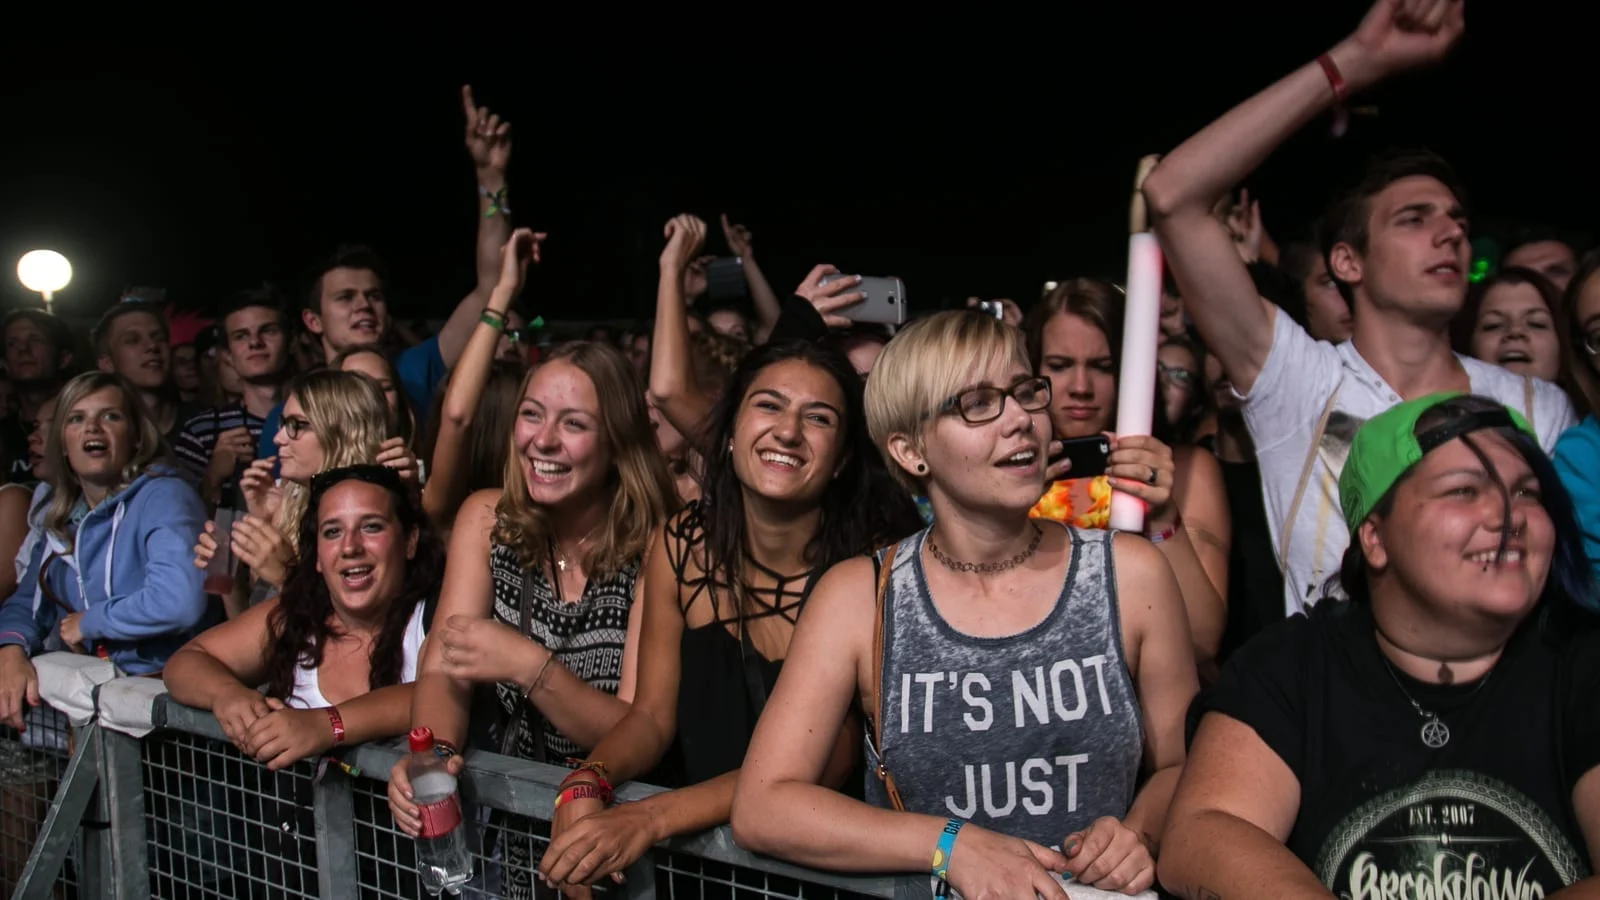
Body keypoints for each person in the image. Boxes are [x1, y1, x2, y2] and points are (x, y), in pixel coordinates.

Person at [730, 311, 1198, 898]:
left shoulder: (1130, 573)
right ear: (909, 448)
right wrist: (951, 845)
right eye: (978, 403)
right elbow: (764, 805)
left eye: (1025, 393)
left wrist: (1140, 834)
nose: (1021, 421)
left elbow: (1185, 766)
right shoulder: (860, 598)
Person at [1142, 0, 1574, 614]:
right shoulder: (1300, 384)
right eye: (1414, 220)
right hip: (1340, 707)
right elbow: (1172, 193)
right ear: (1348, 262)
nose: (1450, 234)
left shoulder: (1536, 407)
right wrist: (1355, 61)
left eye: (1456, 221)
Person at [1160, 393, 1600, 898]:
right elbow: (1203, 831)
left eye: (1527, 493)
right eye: (1463, 490)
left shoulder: (1583, 663)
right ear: (1374, 537)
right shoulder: (1292, 665)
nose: (1508, 515)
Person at [538, 339, 921, 891]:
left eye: (817, 418)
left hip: (823, 873)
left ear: (840, 459)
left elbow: (820, 766)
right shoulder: (681, 546)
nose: (787, 431)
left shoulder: (872, 571)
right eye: (768, 405)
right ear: (733, 429)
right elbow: (650, 718)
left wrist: (646, 818)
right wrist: (588, 779)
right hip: (698, 868)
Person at [389, 342, 675, 900]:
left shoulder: (656, 547)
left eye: (574, 423)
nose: (543, 440)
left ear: (617, 440)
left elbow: (639, 726)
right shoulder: (485, 520)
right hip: (519, 829)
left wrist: (529, 666)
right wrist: (433, 760)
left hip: (618, 835)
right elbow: (444, 671)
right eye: (531, 414)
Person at [0, 372, 210, 730]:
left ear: (137, 436)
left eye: (110, 416)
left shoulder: (164, 495)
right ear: (63, 444)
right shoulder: (62, 516)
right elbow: (25, 604)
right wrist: (11, 649)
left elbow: (178, 601)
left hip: (172, 708)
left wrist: (91, 621)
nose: (92, 428)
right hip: (105, 709)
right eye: (76, 418)